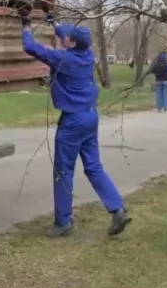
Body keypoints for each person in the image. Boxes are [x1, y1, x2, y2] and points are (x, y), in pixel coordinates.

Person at [22, 19, 132, 238]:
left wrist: (25, 28)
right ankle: (117, 208)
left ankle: (63, 222)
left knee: (63, 170)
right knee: (93, 167)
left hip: (73, 122)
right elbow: (66, 35)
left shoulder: (62, 59)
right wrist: (53, 21)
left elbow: (30, 47)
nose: (65, 38)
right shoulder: (87, 55)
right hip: (90, 116)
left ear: (71, 43)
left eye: (67, 37)